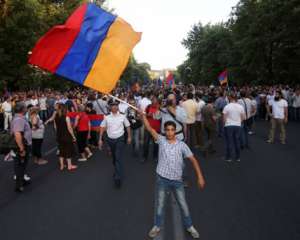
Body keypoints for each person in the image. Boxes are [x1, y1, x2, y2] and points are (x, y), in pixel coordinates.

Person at [140, 111, 205, 239]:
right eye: (167, 130)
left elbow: (193, 160)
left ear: (175, 131)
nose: (170, 132)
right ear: (165, 131)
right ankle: (157, 226)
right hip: (162, 179)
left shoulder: (182, 145)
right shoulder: (161, 140)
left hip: (177, 181)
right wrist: (142, 116)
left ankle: (189, 226)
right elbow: (149, 128)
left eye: (172, 130)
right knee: (160, 205)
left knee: (183, 205)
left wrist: (200, 176)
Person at [99, 99, 131, 188]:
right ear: (110, 107)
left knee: (118, 157)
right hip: (110, 140)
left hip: (120, 139)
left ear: (118, 107)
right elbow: (102, 127)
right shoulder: (106, 117)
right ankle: (117, 169)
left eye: (116, 105)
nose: (114, 107)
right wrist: (100, 139)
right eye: (112, 105)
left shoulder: (122, 116)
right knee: (114, 158)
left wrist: (129, 137)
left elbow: (127, 126)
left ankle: (117, 178)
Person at [11, 102, 32, 192]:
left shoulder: (20, 118)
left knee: (22, 165)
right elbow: (17, 134)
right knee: (19, 165)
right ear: (22, 109)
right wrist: (21, 148)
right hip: (21, 146)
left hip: (24, 144)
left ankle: (22, 180)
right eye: (25, 107)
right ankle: (19, 186)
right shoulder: (19, 119)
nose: (27, 109)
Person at [223, 93, 246, 162]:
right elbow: (243, 118)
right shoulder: (240, 107)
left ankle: (229, 157)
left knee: (229, 142)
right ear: (236, 99)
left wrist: (224, 124)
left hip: (228, 125)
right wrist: (239, 122)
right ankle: (238, 157)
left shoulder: (227, 106)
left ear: (230, 98)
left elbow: (224, 118)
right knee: (237, 141)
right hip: (237, 126)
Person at [54, 104, 77, 171]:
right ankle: (69, 166)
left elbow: (55, 127)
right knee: (68, 150)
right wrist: (73, 136)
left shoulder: (56, 117)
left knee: (61, 150)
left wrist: (58, 133)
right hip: (66, 136)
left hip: (59, 136)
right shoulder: (66, 117)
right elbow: (69, 128)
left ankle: (62, 165)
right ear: (65, 109)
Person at [143, 95, 161, 162]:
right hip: (148, 129)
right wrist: (148, 115)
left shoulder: (160, 108)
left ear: (157, 101)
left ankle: (155, 156)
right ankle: (144, 157)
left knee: (156, 144)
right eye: (153, 100)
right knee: (146, 144)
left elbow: (162, 117)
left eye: (155, 101)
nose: (154, 102)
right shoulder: (148, 107)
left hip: (157, 129)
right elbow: (144, 115)